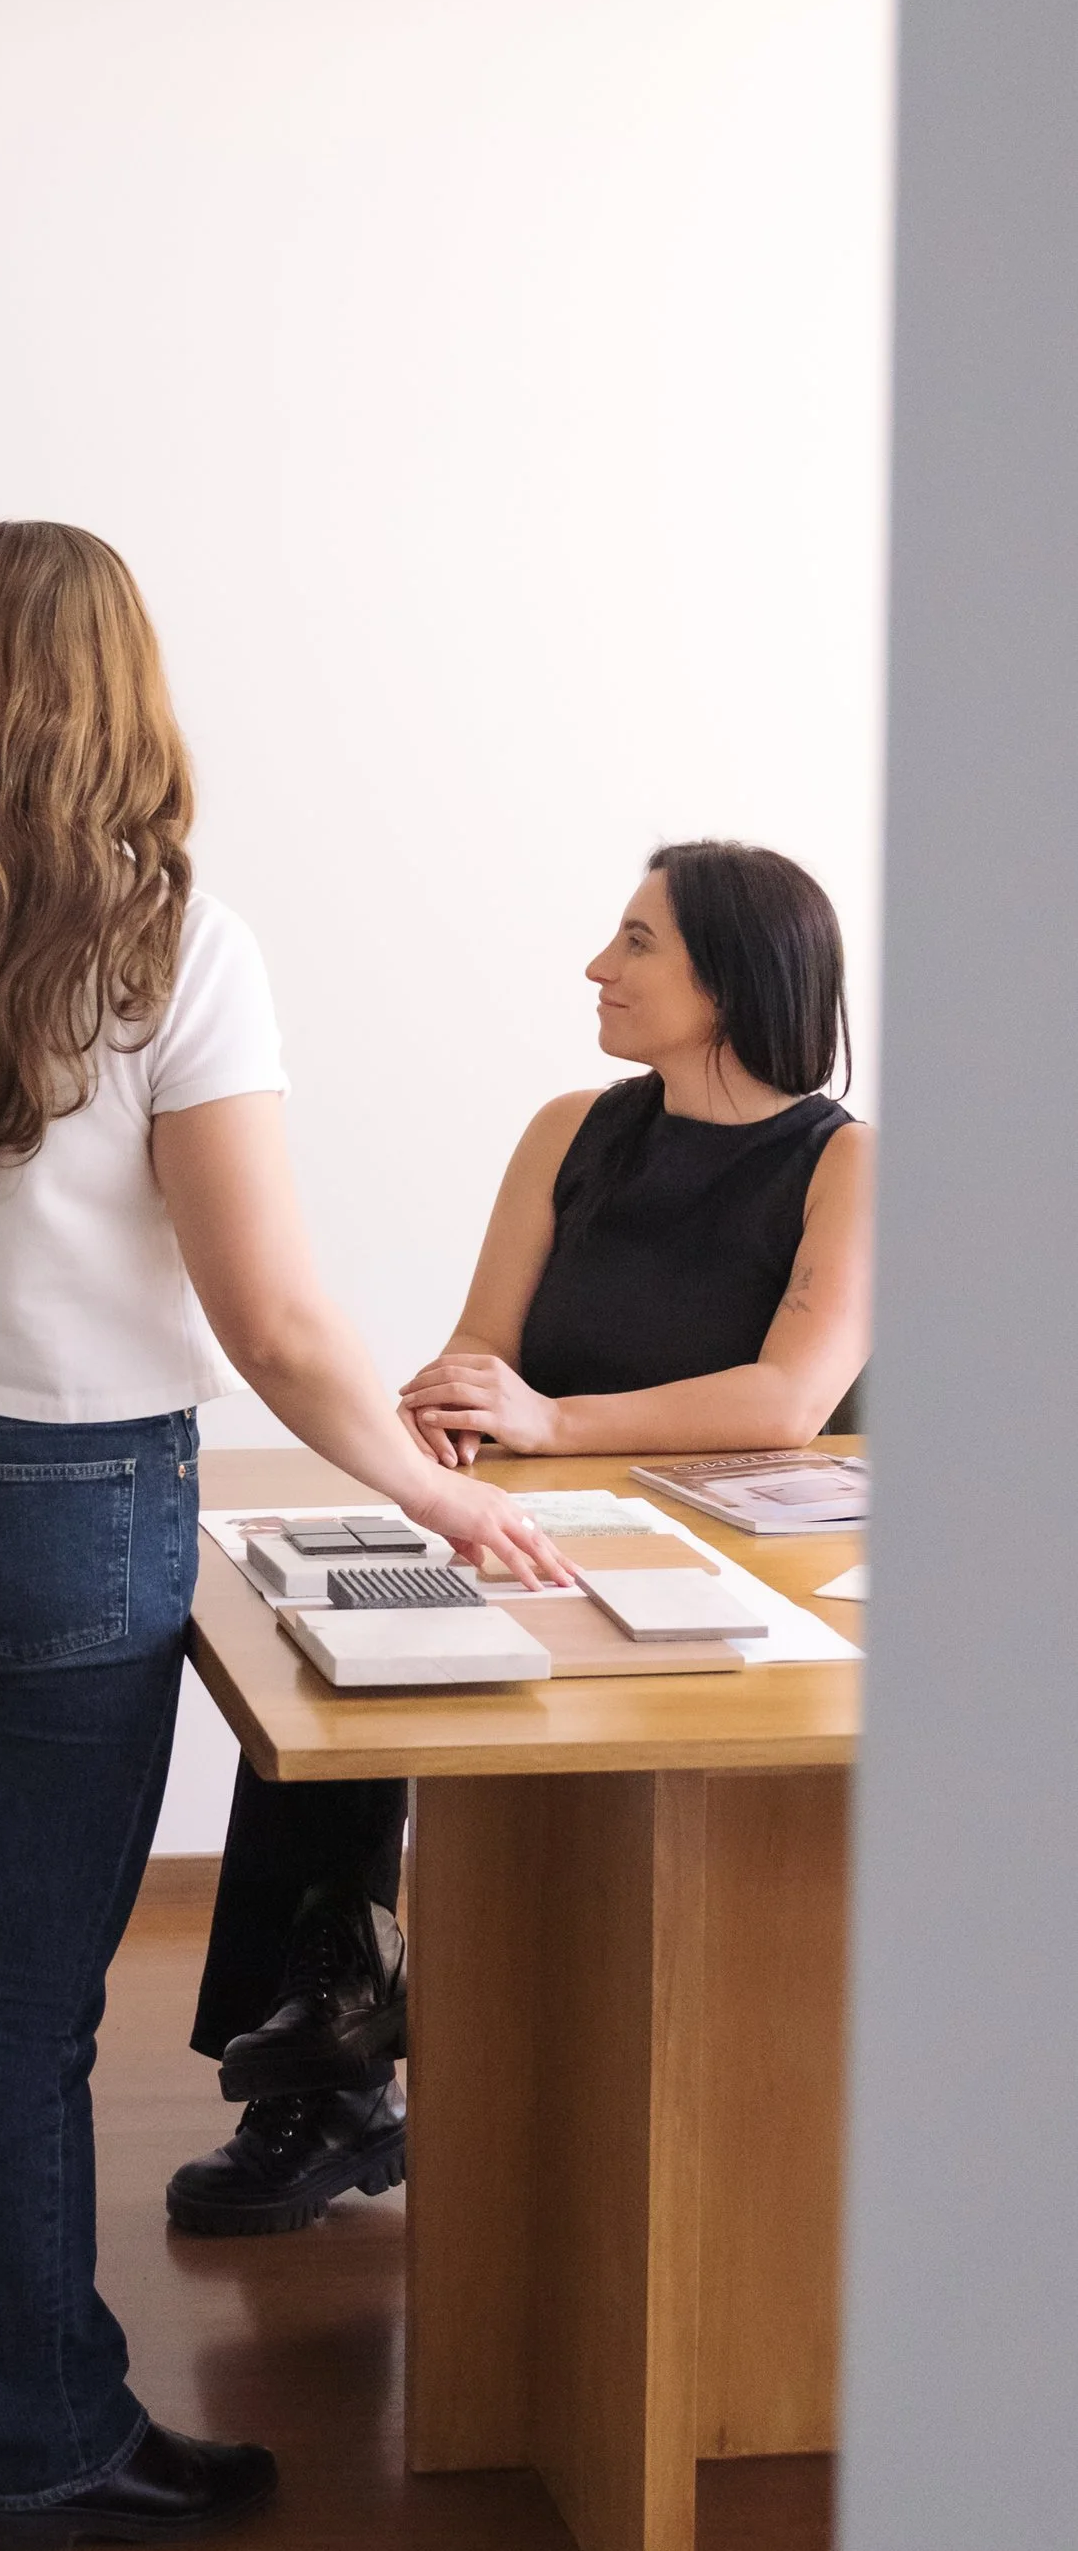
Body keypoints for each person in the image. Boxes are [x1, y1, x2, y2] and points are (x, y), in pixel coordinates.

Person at [0, 523, 565, 2551]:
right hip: (56, 1501)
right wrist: (433, 1491)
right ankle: (50, 2448)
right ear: (122, 688)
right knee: (6, 2011)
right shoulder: (172, 946)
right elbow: (269, 1317)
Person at [171, 839, 871, 2238]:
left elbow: (788, 1400)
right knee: (333, 1647)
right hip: (554, 1534)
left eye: (637, 942)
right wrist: (445, 1415)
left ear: (730, 977)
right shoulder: (571, 1129)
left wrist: (546, 1425)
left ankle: (349, 2032)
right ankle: (330, 2050)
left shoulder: (848, 1163)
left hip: (740, 1583)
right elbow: (484, 1347)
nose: (599, 967)